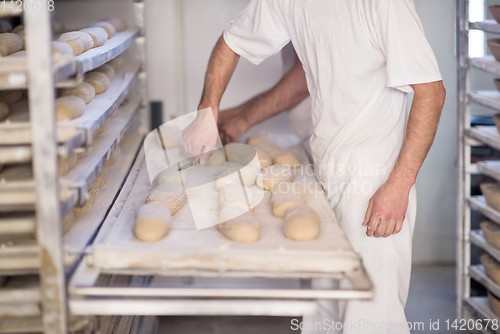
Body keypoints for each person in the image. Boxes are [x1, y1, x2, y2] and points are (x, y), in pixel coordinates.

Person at [183, 1, 446, 333]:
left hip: (374, 182)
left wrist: (399, 185)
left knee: (370, 319)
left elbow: (432, 93)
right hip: (325, 172)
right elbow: (231, 41)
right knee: (324, 314)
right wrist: (207, 110)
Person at [217, 44, 312, 145]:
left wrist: (243, 121)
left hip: (324, 140)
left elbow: (303, 80)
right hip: (308, 138)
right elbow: (287, 87)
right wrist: (230, 116)